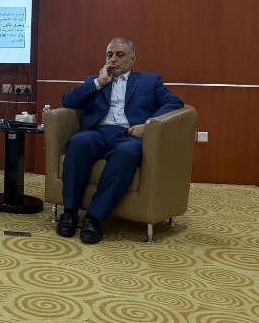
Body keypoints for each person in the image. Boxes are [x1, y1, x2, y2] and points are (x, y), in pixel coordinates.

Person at [56, 37, 183, 244]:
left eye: (120, 55)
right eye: (109, 55)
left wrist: (148, 125)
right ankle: (69, 213)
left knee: (126, 154)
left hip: (128, 135)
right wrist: (99, 82)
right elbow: (67, 100)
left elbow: (174, 102)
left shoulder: (150, 82)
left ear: (132, 59)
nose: (113, 59)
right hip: (98, 132)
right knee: (78, 142)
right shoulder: (95, 80)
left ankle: (94, 218)